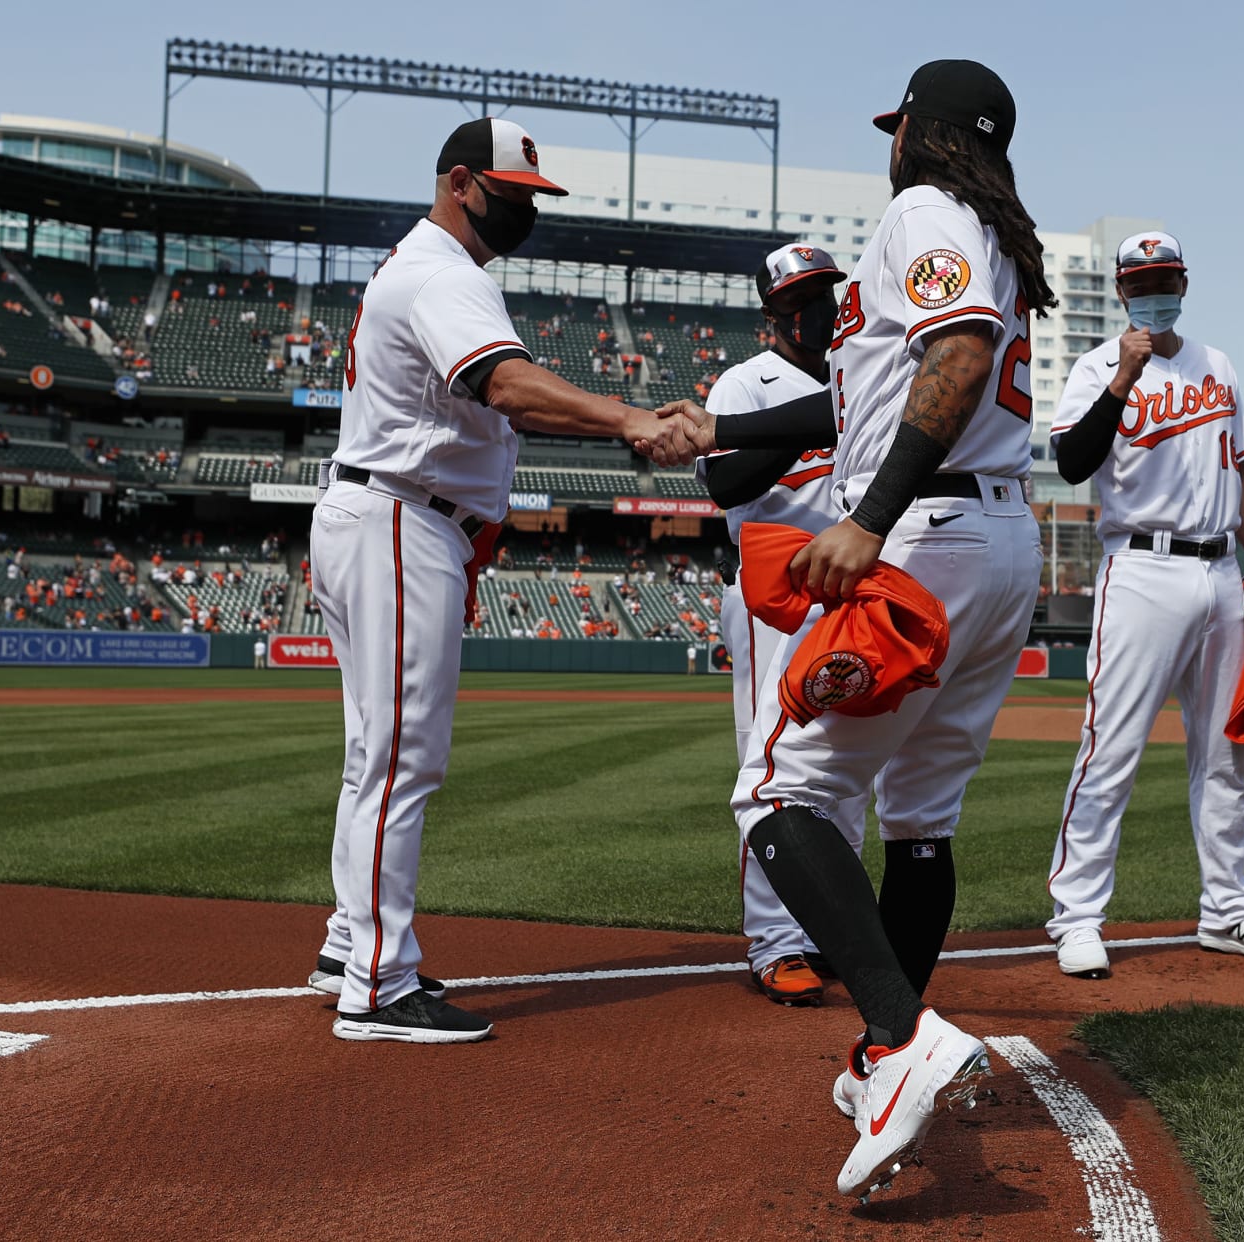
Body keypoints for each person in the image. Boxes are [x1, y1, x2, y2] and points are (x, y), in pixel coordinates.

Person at [653, 59, 1049, 1201]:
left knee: (780, 792)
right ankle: (883, 1058)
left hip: (924, 537)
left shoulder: (922, 211)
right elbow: (864, 392)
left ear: (918, 132)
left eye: (898, 126)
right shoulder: (993, 234)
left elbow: (956, 359)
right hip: (999, 539)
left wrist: (870, 519)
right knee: (919, 818)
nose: (889, 143)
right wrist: (725, 419)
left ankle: (902, 1034)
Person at [305, 116, 680, 1044]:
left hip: (383, 515)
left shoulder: (423, 265)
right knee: (402, 758)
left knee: (374, 754)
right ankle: (380, 987)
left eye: (531, 199)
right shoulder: (442, 272)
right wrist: (632, 418)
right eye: (512, 196)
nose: (524, 213)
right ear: (459, 182)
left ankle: (349, 941)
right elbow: (505, 386)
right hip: (399, 517)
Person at [1040, 231, 1244, 977]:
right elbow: (1069, 464)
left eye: (1167, 279)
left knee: (1226, 755)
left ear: (1184, 284)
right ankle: (1078, 917)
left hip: (1224, 571)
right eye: (1142, 281)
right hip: (1142, 569)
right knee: (1112, 749)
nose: (1155, 292)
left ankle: (1229, 911)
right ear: (1122, 291)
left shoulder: (1217, 365)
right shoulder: (1097, 366)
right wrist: (1122, 381)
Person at [693, 243, 869, 1007]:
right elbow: (725, 481)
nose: (816, 307)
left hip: (855, 592)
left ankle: (832, 926)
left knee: (849, 769)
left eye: (825, 291)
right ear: (773, 313)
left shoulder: (862, 377)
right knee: (770, 764)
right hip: (776, 590)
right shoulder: (746, 381)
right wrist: (807, 422)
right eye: (800, 297)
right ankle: (775, 941)